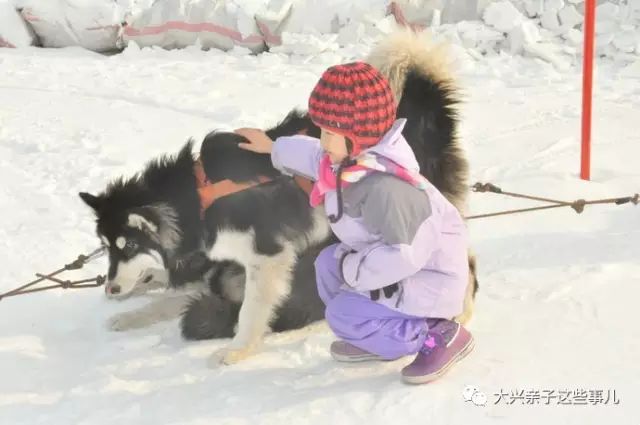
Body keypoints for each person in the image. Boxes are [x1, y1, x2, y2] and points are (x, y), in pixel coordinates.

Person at [235, 61, 473, 384]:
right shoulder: (349, 159)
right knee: (326, 267)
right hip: (388, 264)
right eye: (323, 130)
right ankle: (375, 335)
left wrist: (355, 270)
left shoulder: (386, 188)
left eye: (331, 133)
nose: (324, 141)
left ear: (359, 135)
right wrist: (273, 147)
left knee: (342, 309)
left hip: (427, 280)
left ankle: (435, 335)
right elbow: (312, 157)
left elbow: (405, 254)